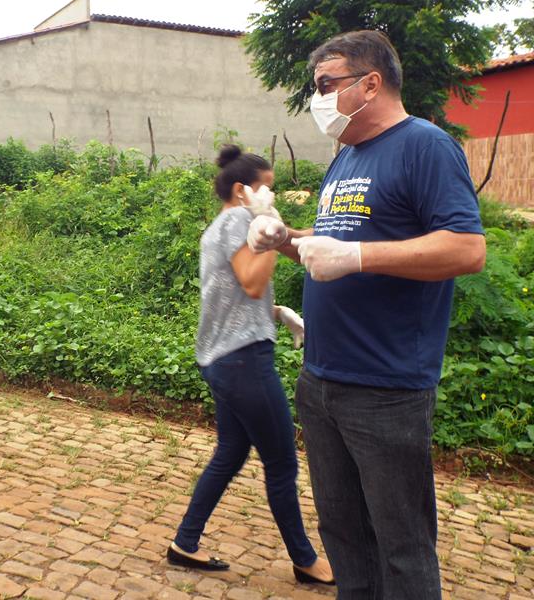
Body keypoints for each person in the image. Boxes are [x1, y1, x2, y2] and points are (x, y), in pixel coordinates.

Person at [247, 31, 486, 599]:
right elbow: (334, 242)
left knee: (401, 546)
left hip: (385, 388)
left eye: (327, 85)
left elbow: (466, 249)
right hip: (322, 377)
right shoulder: (348, 156)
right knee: (344, 533)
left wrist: (357, 257)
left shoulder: (425, 146)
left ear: (370, 83)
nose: (319, 99)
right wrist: (285, 238)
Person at [166, 145, 334, 586]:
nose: (273, 197)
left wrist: (276, 313)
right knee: (280, 462)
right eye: (267, 189)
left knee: (231, 452)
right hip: (242, 361)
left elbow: (237, 292)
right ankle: (306, 561)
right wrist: (271, 228)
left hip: (223, 357)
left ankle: (185, 543)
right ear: (243, 191)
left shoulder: (221, 226)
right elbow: (253, 282)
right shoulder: (241, 221)